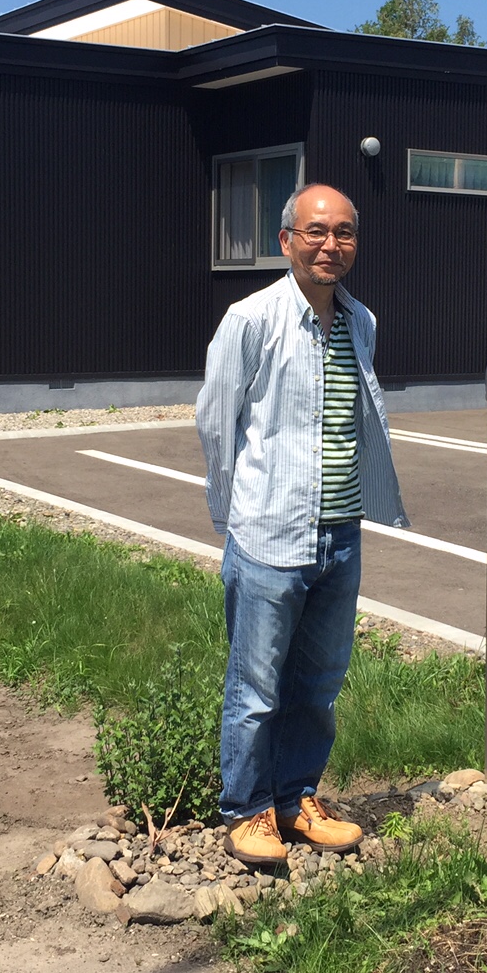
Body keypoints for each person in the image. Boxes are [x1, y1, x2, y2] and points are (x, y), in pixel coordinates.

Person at [196, 183, 409, 864]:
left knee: (318, 684)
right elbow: (216, 421)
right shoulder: (251, 319)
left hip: (341, 533)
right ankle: (248, 808)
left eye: (343, 232)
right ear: (285, 239)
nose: (330, 244)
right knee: (256, 686)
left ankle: (297, 796)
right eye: (315, 231)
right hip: (269, 534)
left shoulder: (361, 321)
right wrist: (235, 515)